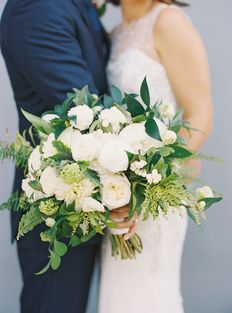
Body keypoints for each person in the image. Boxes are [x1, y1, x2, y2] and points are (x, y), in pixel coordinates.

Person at [0, 0, 136, 312]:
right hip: (57, 217)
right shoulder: (37, 9)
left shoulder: (72, 6)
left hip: (86, 209)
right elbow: (83, 114)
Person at [99, 0, 213, 312]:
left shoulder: (168, 22)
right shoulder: (112, 35)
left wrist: (149, 184)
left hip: (155, 196)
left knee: (149, 297)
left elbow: (200, 114)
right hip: (119, 201)